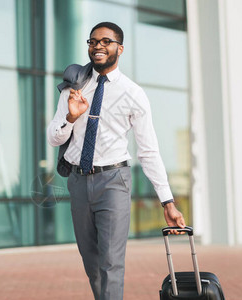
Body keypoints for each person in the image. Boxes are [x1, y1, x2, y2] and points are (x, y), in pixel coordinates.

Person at [47, 22, 186, 300]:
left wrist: (167, 201)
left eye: (106, 41)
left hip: (114, 182)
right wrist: (71, 118)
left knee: (111, 262)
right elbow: (54, 138)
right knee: (93, 265)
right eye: (93, 41)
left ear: (119, 49)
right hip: (77, 181)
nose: (98, 46)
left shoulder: (133, 94)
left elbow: (148, 152)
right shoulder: (73, 88)